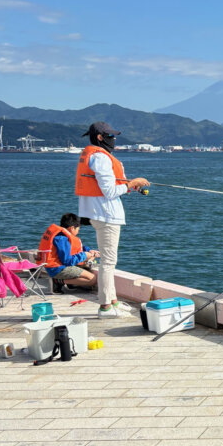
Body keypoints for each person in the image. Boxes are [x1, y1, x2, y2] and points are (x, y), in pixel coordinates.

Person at [75, 122, 149, 317]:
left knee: (110, 261)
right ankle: (105, 306)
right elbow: (109, 191)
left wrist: (128, 186)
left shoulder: (96, 156)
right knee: (108, 262)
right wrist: (132, 183)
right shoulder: (100, 158)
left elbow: (108, 187)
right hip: (106, 215)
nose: (114, 139)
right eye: (110, 136)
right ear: (100, 137)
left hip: (100, 214)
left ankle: (113, 302)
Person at [38, 213, 99, 293]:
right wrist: (84, 255)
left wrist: (88, 251)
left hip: (56, 266)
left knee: (89, 261)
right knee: (92, 280)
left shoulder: (61, 236)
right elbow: (67, 261)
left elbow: (74, 249)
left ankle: (71, 283)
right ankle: (58, 281)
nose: (78, 231)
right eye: (78, 229)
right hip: (57, 269)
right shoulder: (62, 239)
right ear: (72, 228)